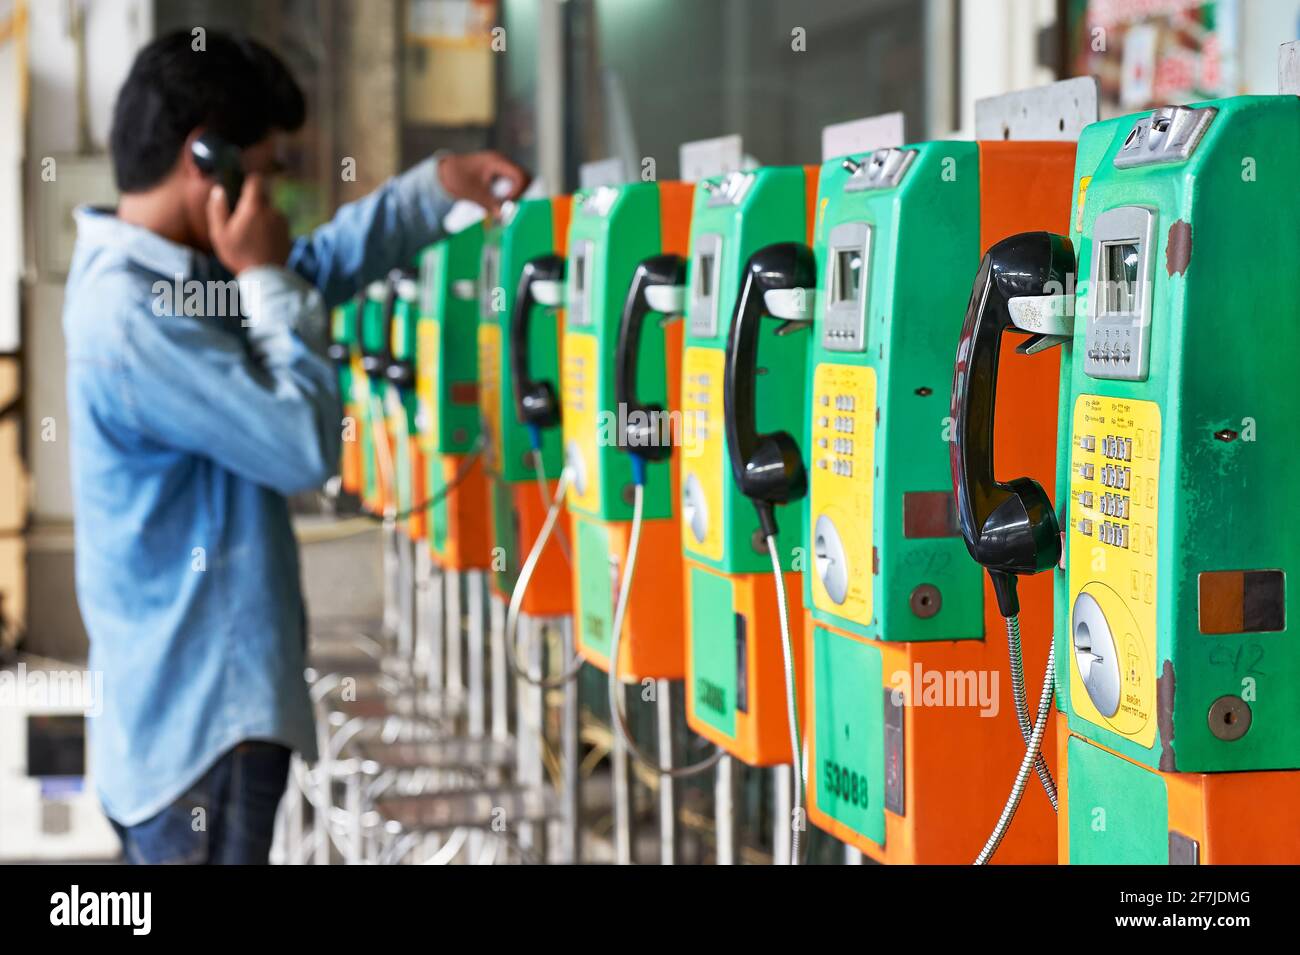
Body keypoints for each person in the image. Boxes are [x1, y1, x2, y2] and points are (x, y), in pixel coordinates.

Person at [63, 28, 528, 864]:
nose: (274, 195)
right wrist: (266, 278)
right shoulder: (134, 319)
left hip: (192, 731)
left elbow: (307, 267)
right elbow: (303, 439)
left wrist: (432, 192)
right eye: (268, 170)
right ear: (209, 161)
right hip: (200, 736)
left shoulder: (174, 282)